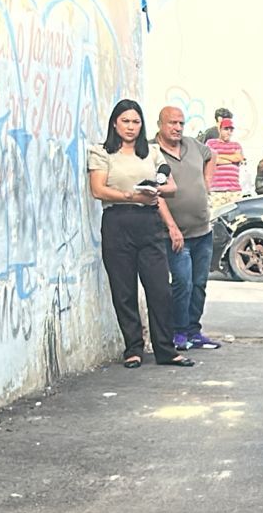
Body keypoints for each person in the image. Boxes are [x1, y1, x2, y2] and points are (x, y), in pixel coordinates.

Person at [86, 100, 195, 369]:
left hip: (148, 221)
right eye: (125, 121)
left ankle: (165, 350)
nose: (131, 127)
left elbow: (170, 186)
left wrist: (152, 191)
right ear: (115, 123)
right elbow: (98, 190)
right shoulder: (102, 152)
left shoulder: (152, 152)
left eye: (136, 122)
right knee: (124, 290)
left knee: (159, 289)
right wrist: (130, 195)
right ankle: (133, 349)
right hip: (117, 221)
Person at [155, 106, 225, 353]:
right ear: (160, 124)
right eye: (172, 123)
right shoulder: (152, 152)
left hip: (202, 230)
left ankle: (194, 332)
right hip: (175, 233)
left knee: (199, 283)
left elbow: (212, 155)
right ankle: (179, 332)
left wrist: (207, 182)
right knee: (182, 283)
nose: (177, 128)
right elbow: (154, 193)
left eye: (180, 123)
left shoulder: (193, 145)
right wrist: (172, 227)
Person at [206, 118, 245, 208]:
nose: (229, 132)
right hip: (217, 190)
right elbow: (213, 160)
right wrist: (231, 159)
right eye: (226, 129)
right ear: (220, 129)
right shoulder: (211, 143)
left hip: (234, 190)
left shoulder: (236, 145)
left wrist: (219, 155)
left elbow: (238, 158)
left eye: (231, 130)